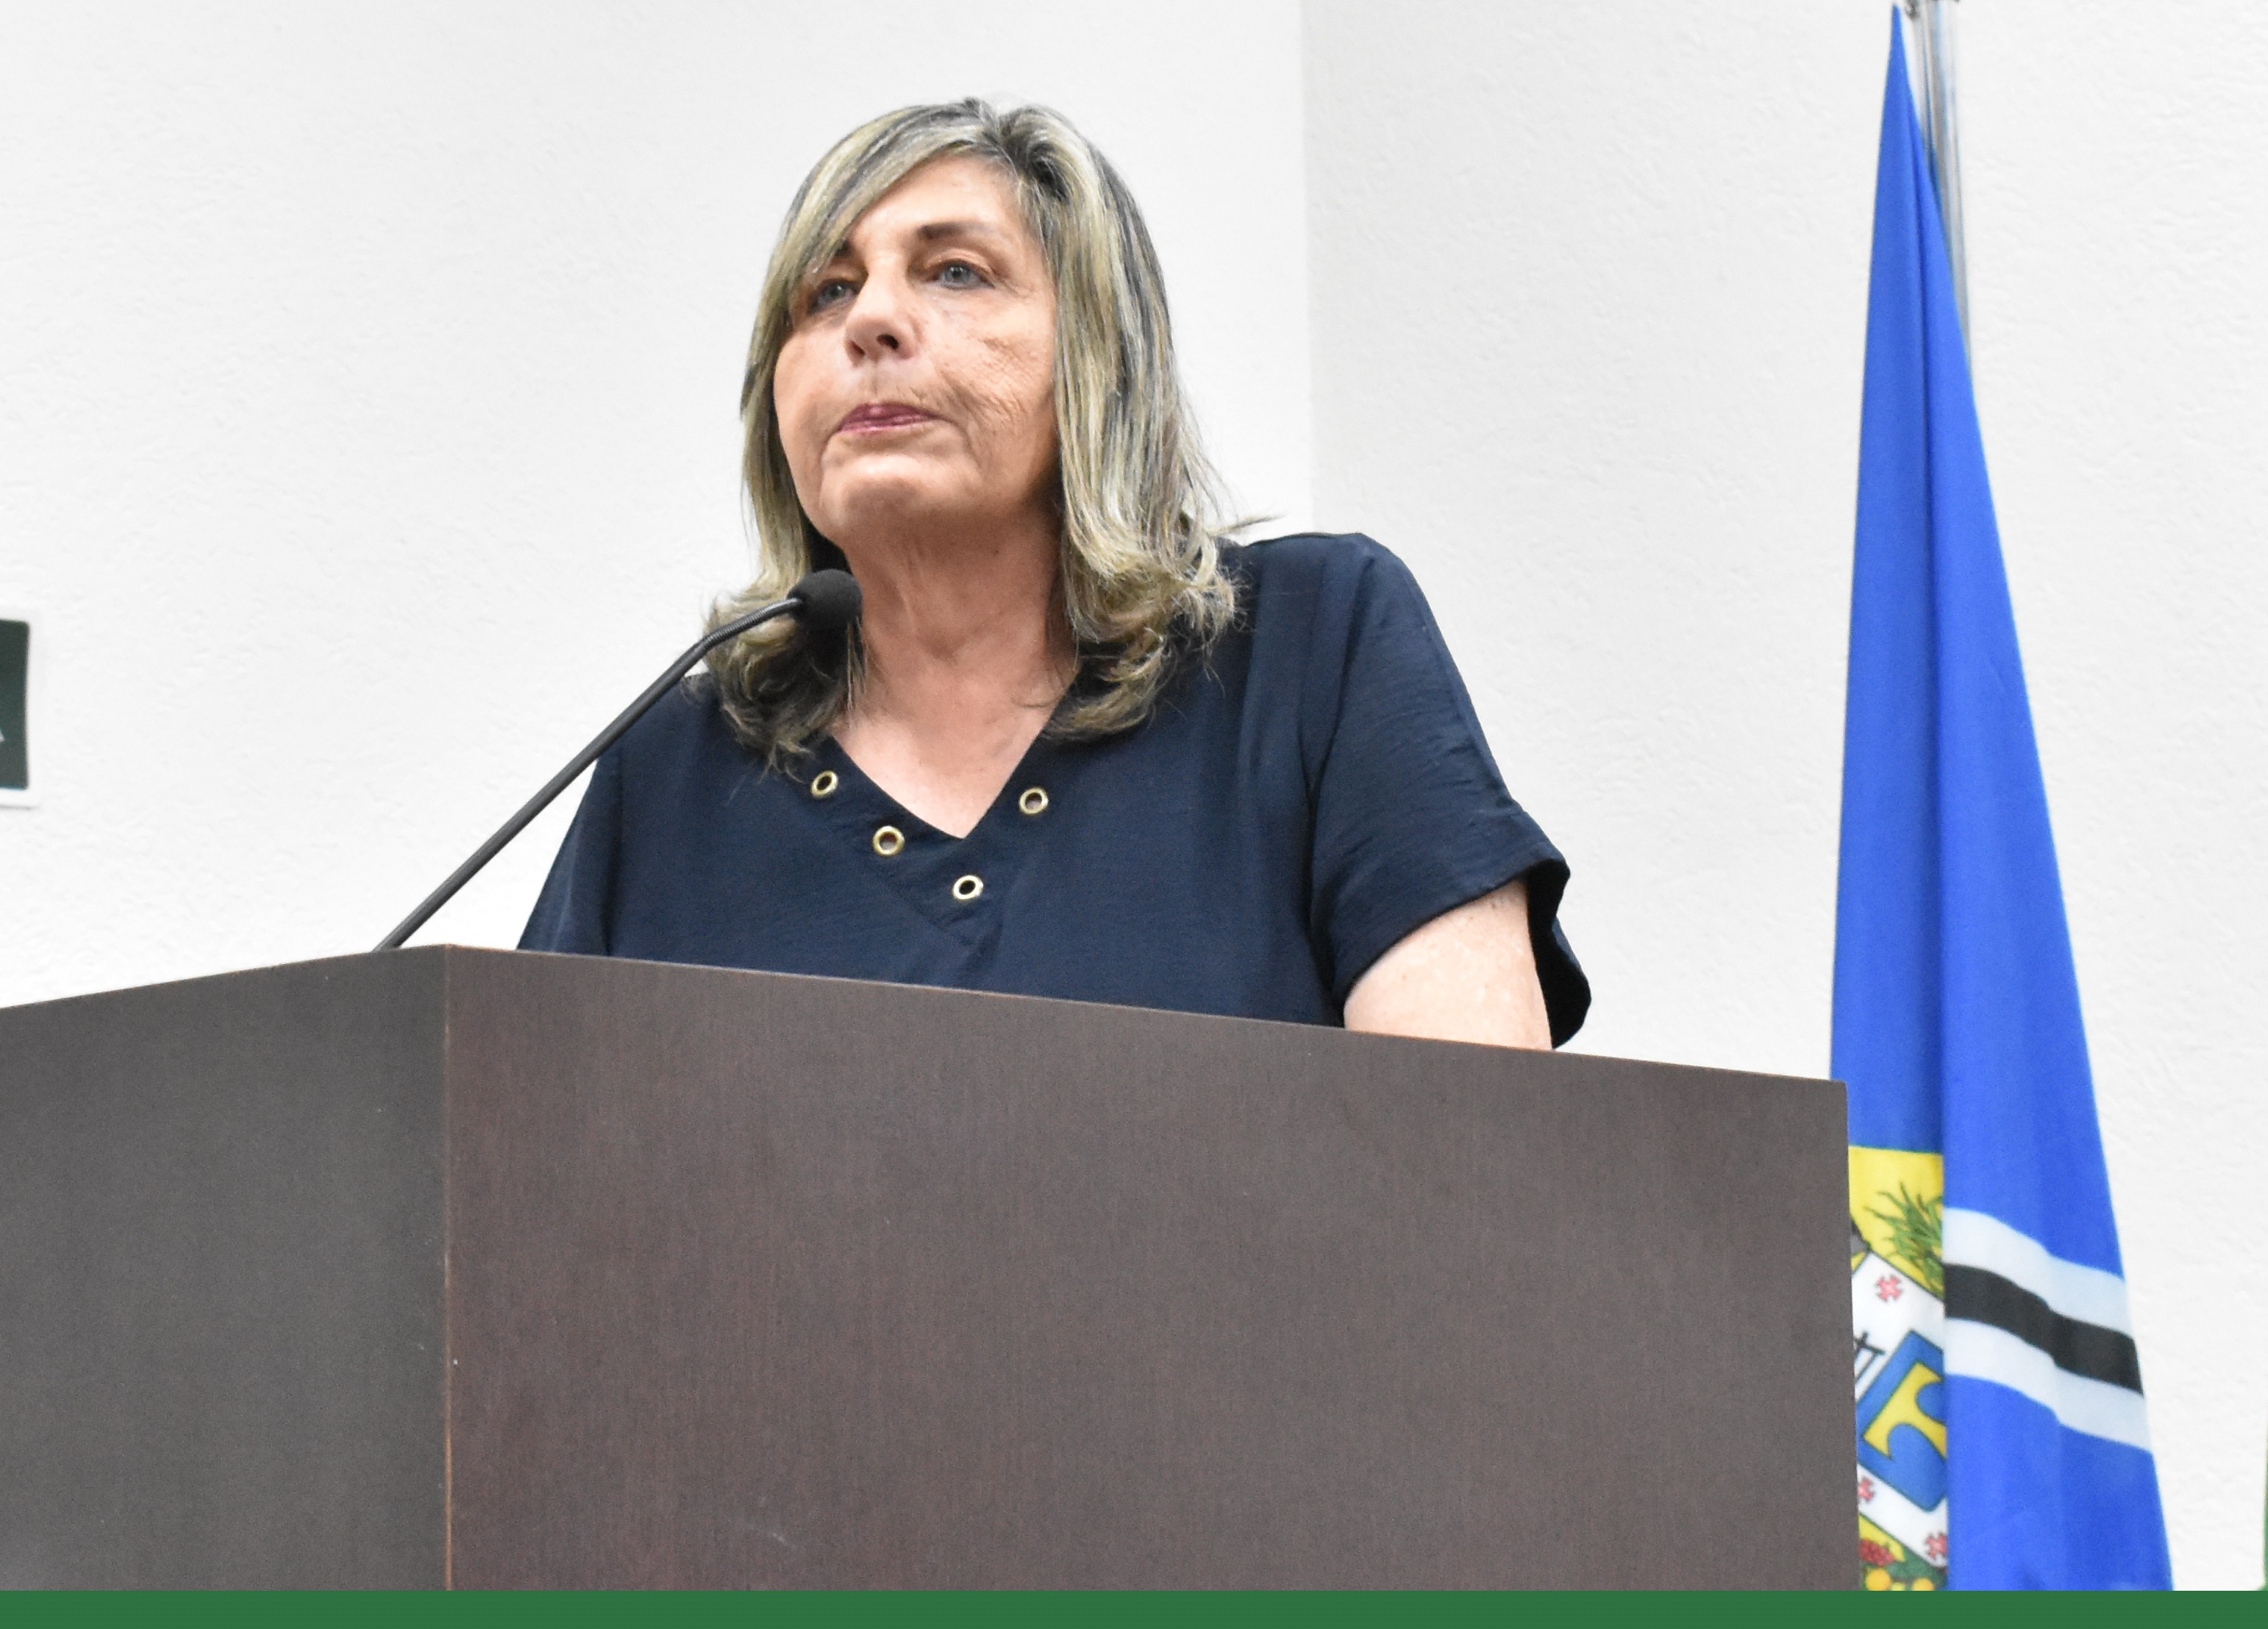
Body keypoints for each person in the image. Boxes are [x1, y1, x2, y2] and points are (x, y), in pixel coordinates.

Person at [519, 99, 1584, 1049]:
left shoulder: (1314, 649)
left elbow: (1465, 1161)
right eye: (828, 292)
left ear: (1098, 363)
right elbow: (517, 1165)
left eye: (956, 271)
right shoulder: (671, 769)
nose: (871, 320)